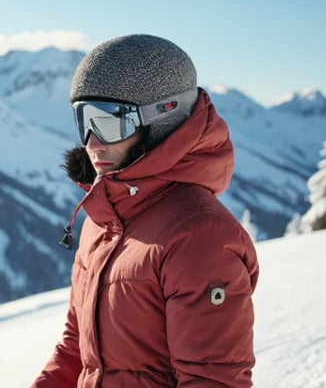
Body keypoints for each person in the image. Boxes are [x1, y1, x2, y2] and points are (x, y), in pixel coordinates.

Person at [32, 34, 259, 387]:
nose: (91, 142)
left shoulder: (199, 236)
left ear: (162, 119)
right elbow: (76, 351)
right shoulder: (102, 220)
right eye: (83, 120)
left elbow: (213, 381)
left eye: (107, 120)